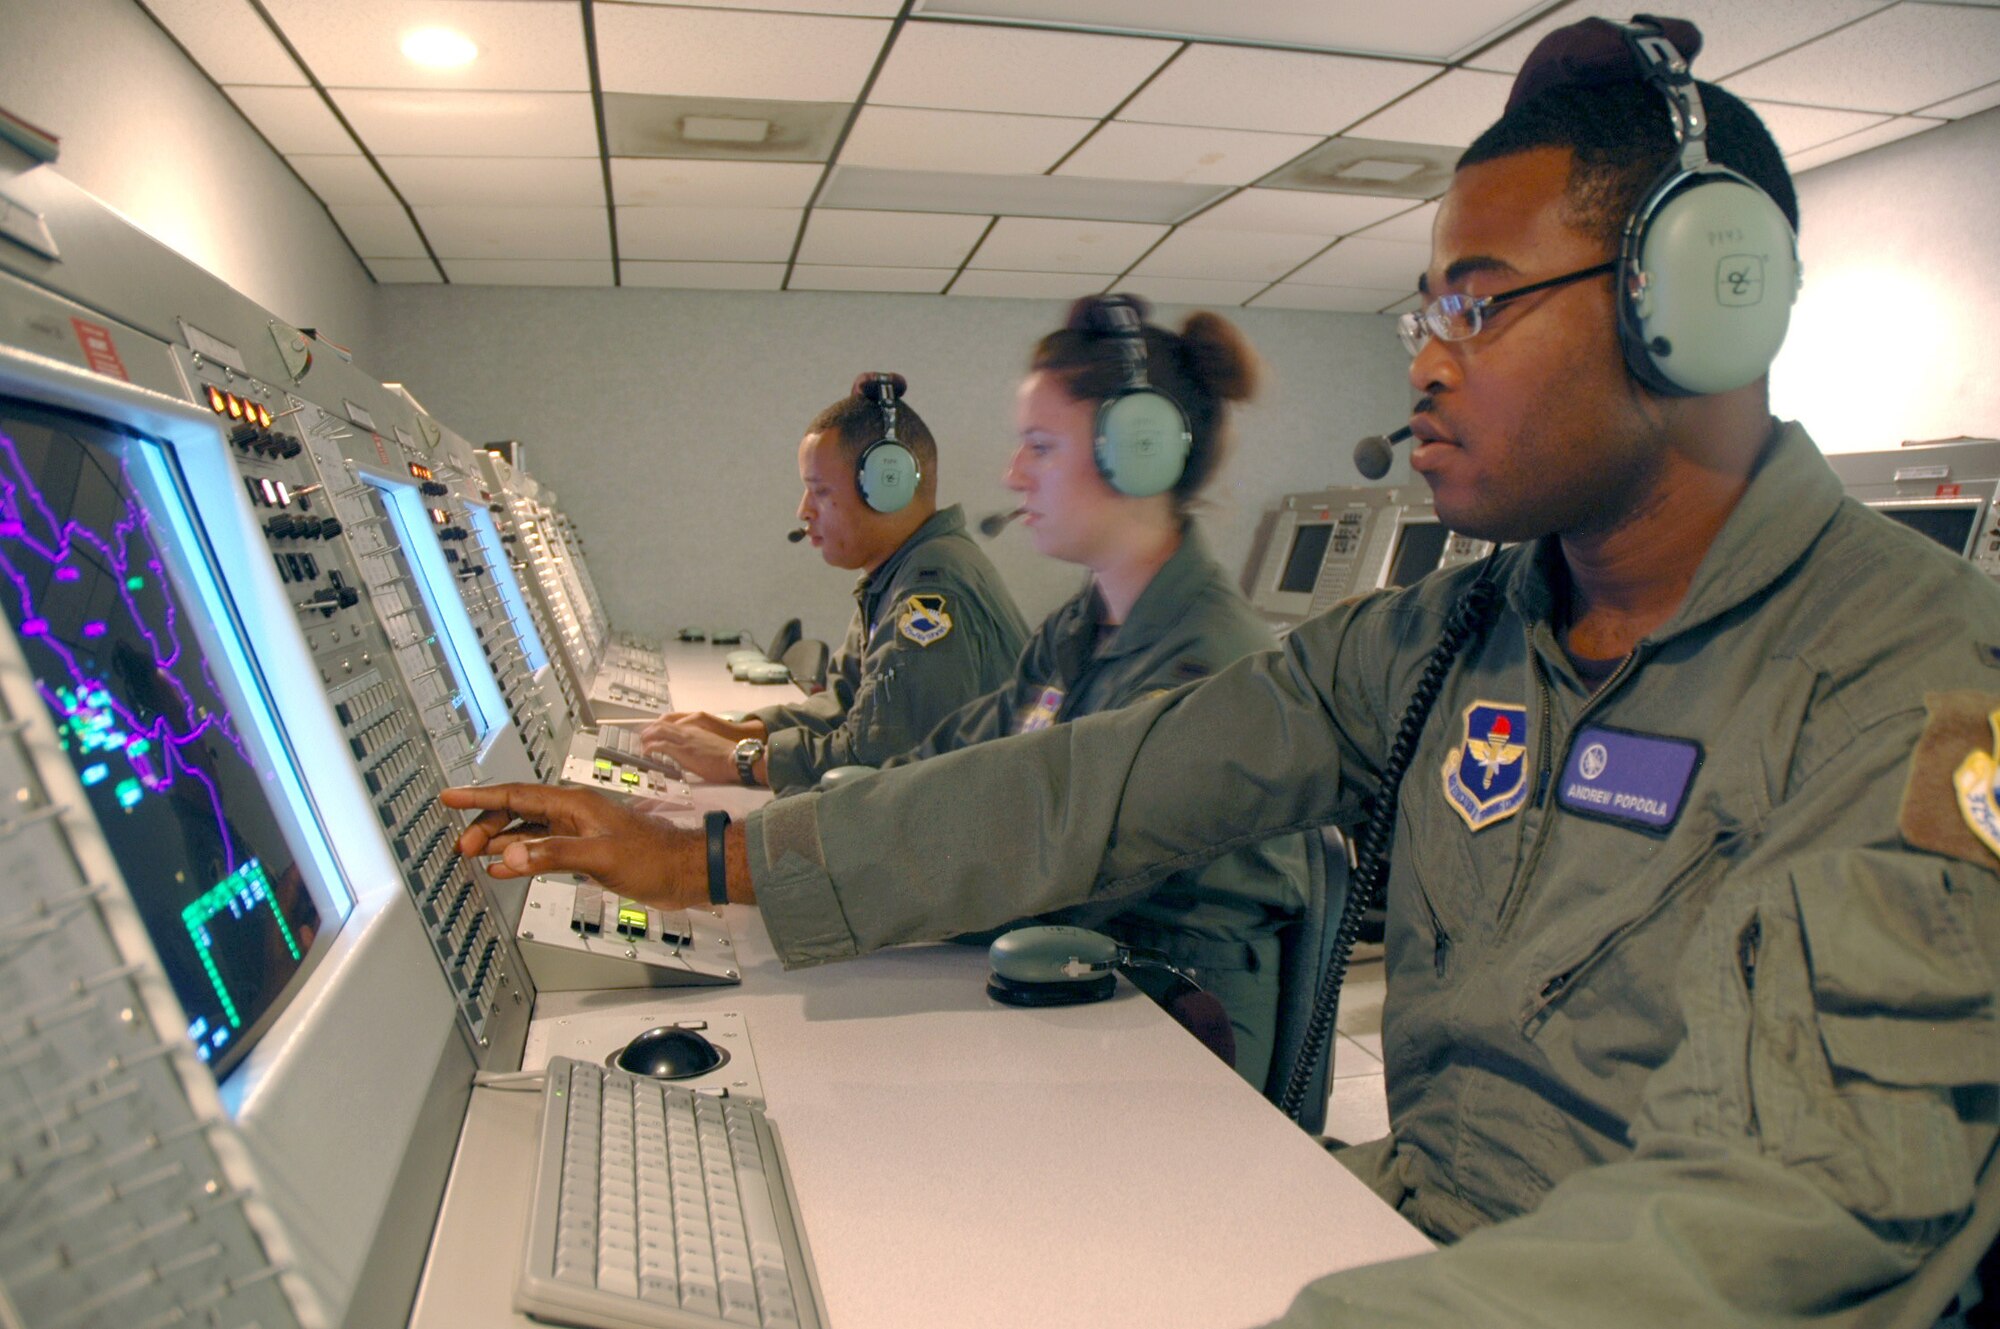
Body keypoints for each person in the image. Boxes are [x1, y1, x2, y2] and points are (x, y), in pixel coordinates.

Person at [448, 15, 2000, 1325]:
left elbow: (1793, 1209)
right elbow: (1104, 781)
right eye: (1424, 309)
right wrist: (721, 854)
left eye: (1479, 301)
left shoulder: (1922, 686)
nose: (1426, 359)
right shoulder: (1461, 628)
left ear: (1704, 302)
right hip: (1401, 1237)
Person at [879, 294, 1309, 1085]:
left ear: (1137, 456)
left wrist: (797, 868)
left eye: (1040, 446)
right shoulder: (1083, 625)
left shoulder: (1209, 665)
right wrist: (813, 806)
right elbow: (964, 752)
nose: (1012, 473)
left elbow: (1045, 862)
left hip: (1180, 1041)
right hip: (1083, 987)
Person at [642, 373, 1027, 795]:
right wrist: (737, 731)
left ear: (888, 488)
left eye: (820, 492)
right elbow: (848, 706)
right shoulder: (898, 573)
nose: (803, 510)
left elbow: (881, 758)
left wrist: (740, 761)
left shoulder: (930, 594)